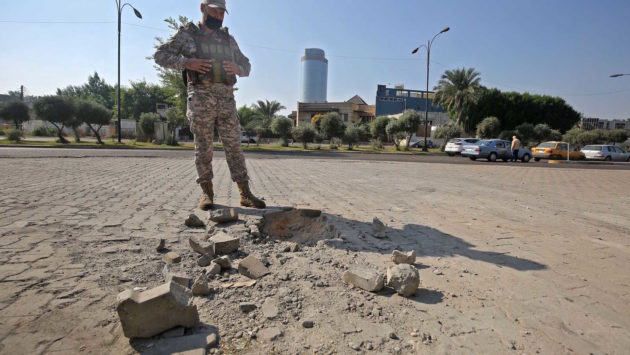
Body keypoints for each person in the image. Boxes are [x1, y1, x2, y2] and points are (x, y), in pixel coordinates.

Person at [154, 0, 265, 210]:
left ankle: (244, 193)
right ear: (203, 8)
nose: (219, 16)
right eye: (215, 11)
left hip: (226, 100)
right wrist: (186, 63)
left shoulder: (228, 39)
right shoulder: (186, 35)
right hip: (200, 99)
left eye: (222, 13)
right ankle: (207, 193)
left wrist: (237, 68)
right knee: (203, 147)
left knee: (234, 146)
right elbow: (160, 55)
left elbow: (247, 65)